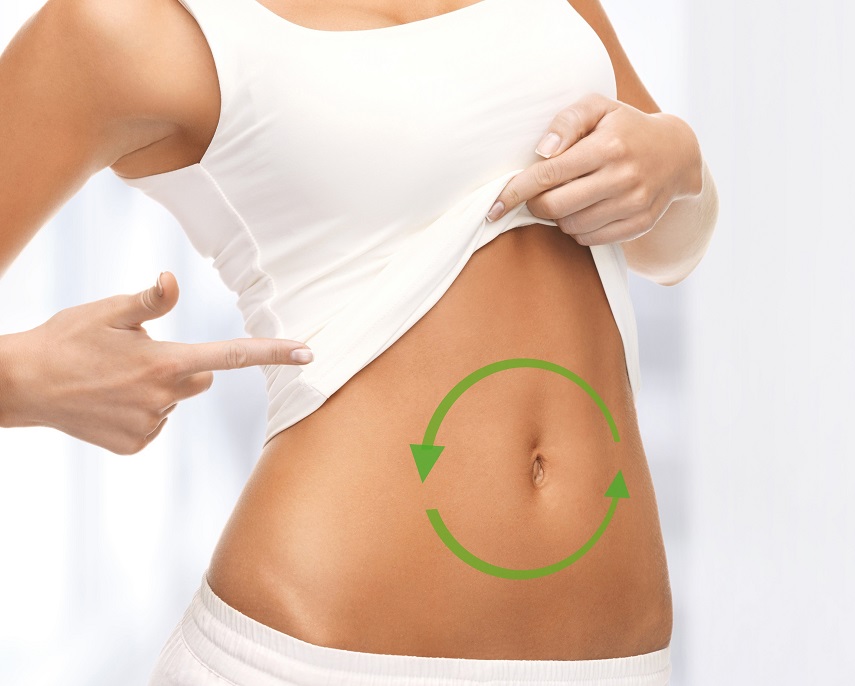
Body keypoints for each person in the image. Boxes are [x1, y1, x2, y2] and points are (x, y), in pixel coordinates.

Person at [0, 0, 719, 683]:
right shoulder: (128, 26)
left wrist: (680, 163)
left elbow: (667, 249)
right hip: (317, 660)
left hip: (612, 661)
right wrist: (23, 380)